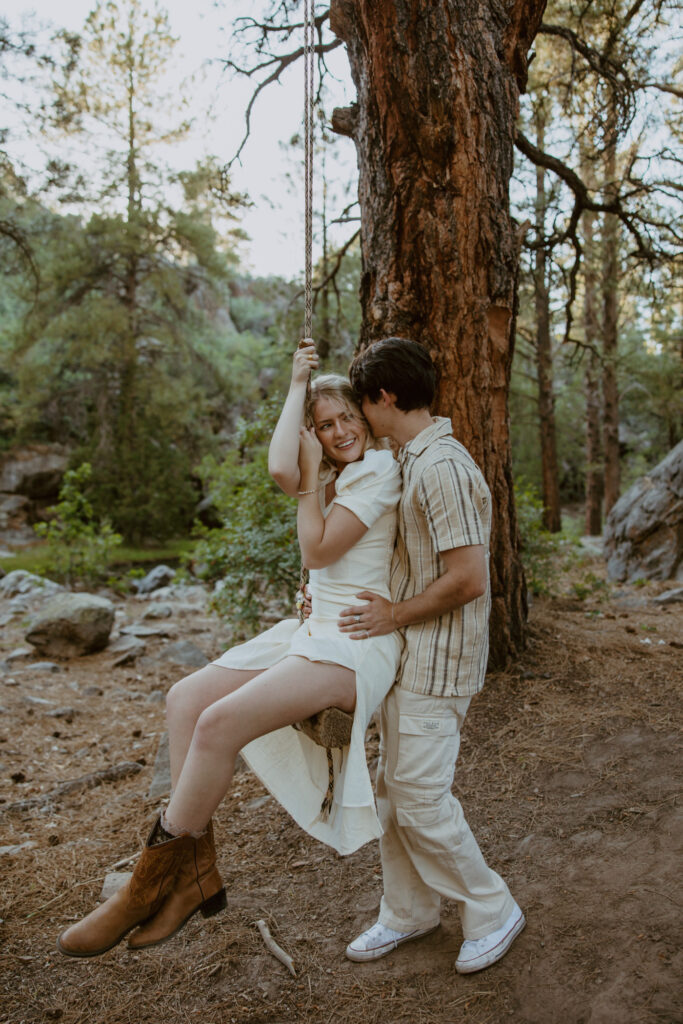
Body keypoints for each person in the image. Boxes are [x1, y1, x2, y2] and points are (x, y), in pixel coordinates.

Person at [57, 340, 402, 958]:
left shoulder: (376, 469)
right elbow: (278, 469)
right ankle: (195, 876)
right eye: (324, 427)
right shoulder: (336, 471)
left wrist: (307, 492)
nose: (340, 431)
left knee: (218, 725)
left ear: (364, 417)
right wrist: (296, 386)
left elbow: (318, 551)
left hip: (354, 642)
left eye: (347, 416)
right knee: (186, 698)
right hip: (313, 628)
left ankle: (143, 886)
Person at [338, 337, 525, 975]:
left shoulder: (442, 466)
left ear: (385, 397)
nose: (361, 419)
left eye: (364, 404)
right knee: (392, 795)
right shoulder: (409, 458)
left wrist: (391, 615)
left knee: (419, 798)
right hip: (408, 658)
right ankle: (409, 912)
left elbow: (469, 577)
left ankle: (491, 907)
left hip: (439, 662)